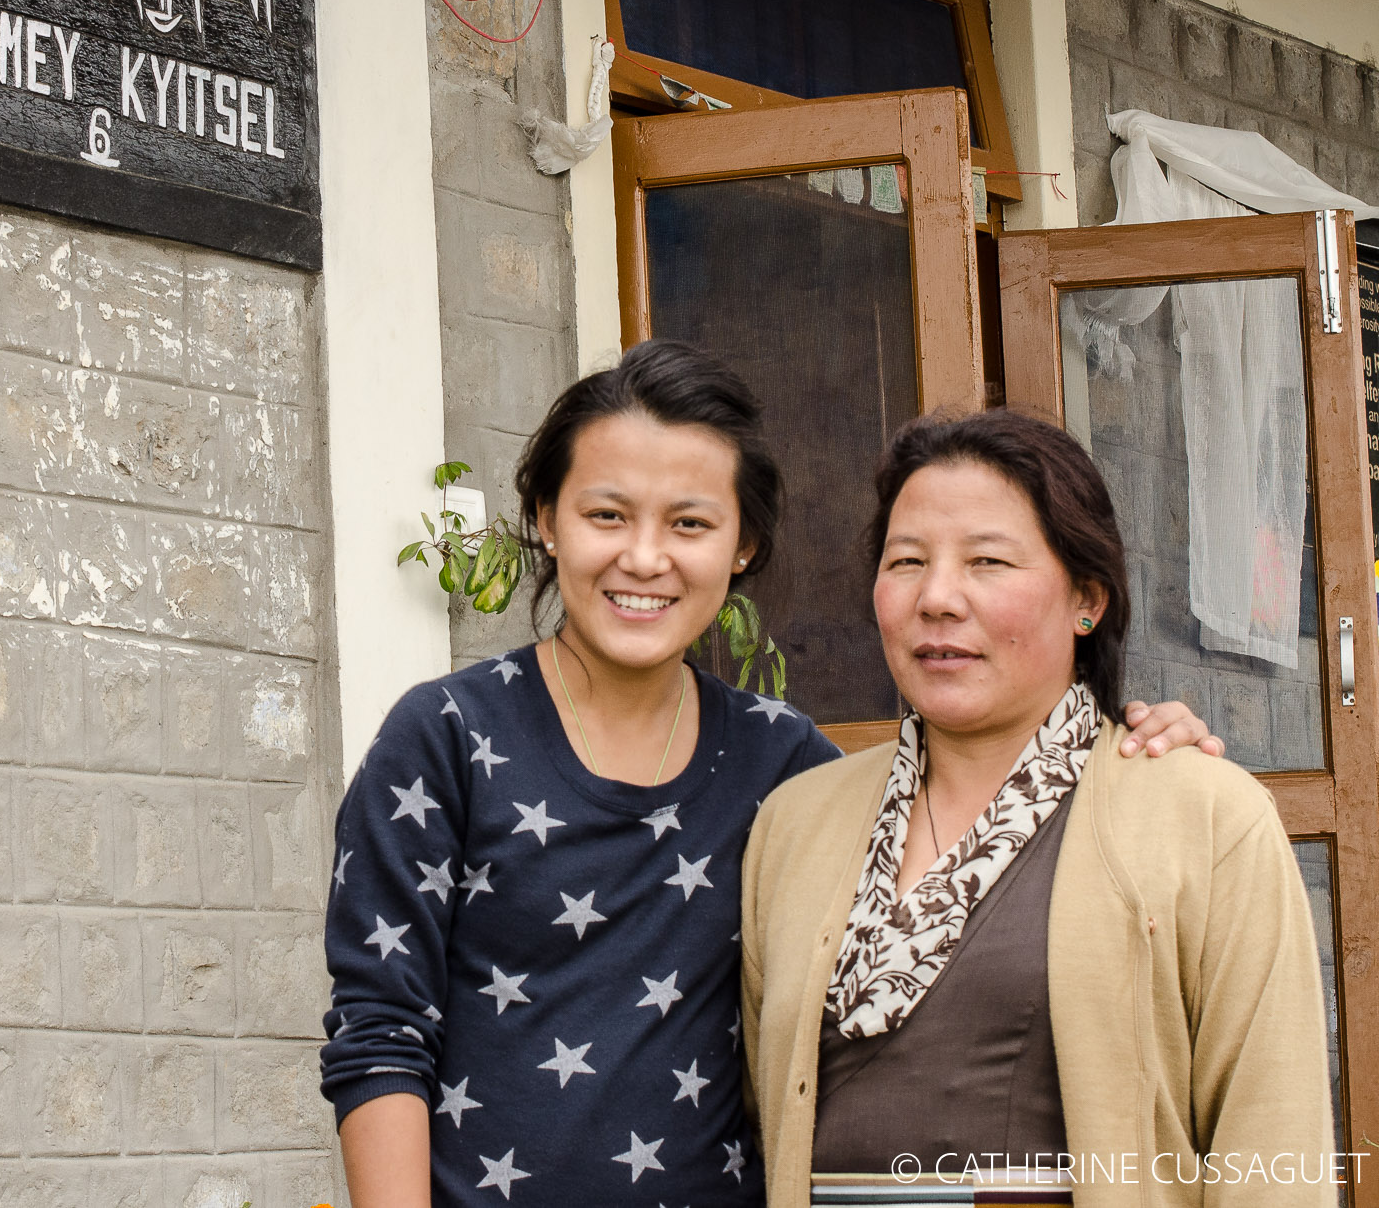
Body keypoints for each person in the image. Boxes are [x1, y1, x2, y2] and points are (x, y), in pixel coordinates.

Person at [321, 344, 1218, 1206]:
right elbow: (381, 1033)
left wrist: (1128, 740)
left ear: (744, 544)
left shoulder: (784, 765)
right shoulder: (443, 737)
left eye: (690, 523)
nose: (643, 557)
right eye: (606, 514)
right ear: (547, 522)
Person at [742, 408, 1333, 1208]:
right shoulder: (795, 823)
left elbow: (1272, 1137)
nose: (938, 597)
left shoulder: (1202, 815)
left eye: (988, 560)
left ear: (1087, 597)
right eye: (906, 560)